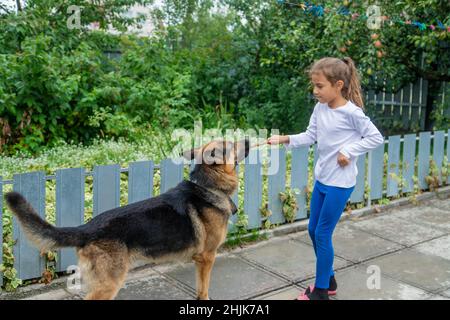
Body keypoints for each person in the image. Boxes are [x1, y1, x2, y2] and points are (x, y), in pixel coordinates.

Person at [267, 57, 384, 300]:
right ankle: (329, 279)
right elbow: (310, 136)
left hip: (340, 184)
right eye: (314, 85)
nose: (315, 91)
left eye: (320, 86)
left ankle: (321, 291)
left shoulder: (352, 113)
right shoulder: (320, 108)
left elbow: (375, 138)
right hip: (322, 179)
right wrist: (285, 139)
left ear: (338, 85)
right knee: (313, 229)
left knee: (322, 233)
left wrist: (349, 151)